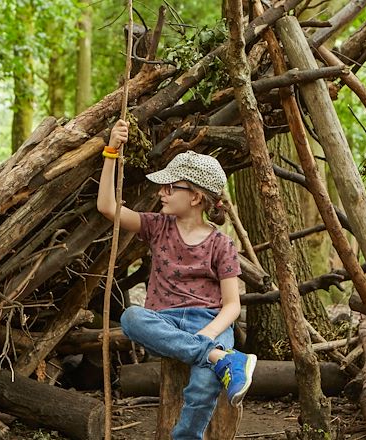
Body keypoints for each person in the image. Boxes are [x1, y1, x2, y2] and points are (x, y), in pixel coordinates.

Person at [97, 119, 257, 439]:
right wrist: (111, 151)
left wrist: (206, 336)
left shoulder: (221, 244)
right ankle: (223, 361)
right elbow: (108, 207)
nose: (161, 192)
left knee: (204, 383)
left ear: (195, 197)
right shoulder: (158, 227)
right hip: (164, 323)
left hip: (211, 321)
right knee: (131, 318)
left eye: (170, 187)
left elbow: (231, 306)